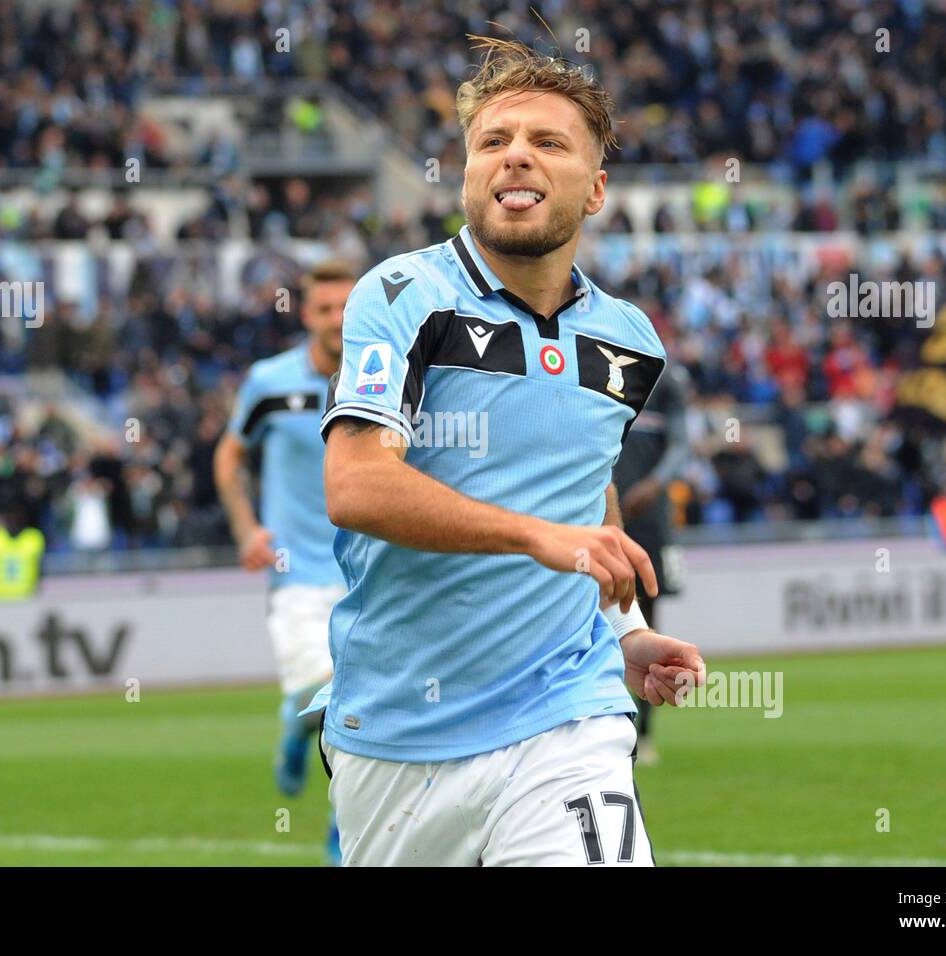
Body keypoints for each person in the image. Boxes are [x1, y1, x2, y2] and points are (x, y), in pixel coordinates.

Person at [307, 37, 705, 866]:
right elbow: (355, 485)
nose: (515, 155)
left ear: (596, 190)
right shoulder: (402, 296)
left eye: (547, 143)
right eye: (493, 141)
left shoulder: (629, 340)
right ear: (466, 174)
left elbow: (585, 489)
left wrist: (625, 629)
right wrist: (535, 536)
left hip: (570, 712)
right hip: (399, 731)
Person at [215, 259, 357, 864]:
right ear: (306, 315)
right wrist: (247, 529)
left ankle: (341, 829)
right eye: (325, 309)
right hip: (294, 574)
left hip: (367, 574)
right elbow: (229, 454)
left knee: (354, 710)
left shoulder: (384, 380)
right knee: (324, 696)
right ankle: (297, 732)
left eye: (347, 306)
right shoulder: (269, 383)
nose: (337, 319)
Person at [612, 363, 691, 760]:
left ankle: (644, 730)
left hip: (649, 524)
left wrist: (656, 483)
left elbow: (682, 445)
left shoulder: (665, 382)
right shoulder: (590, 364)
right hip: (598, 520)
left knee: (646, 622)